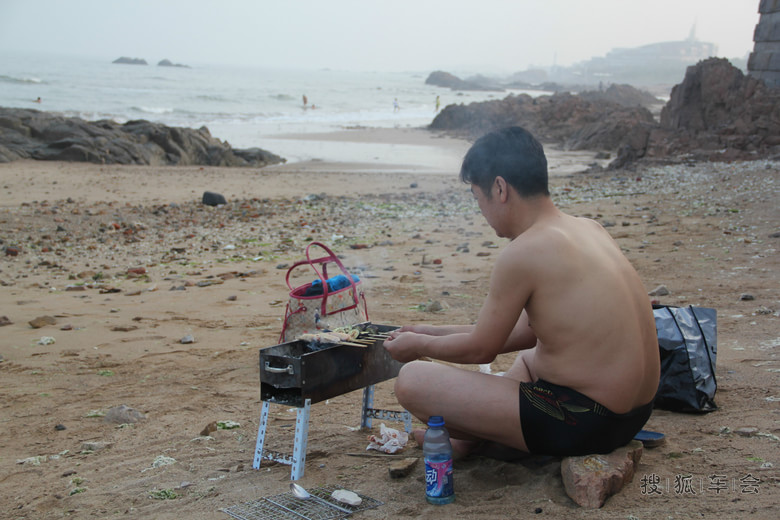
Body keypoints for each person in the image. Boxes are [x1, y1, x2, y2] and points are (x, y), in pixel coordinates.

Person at [384, 126, 659, 458]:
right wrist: (427, 330)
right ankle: (470, 439)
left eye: (477, 196)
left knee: (413, 380)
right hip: (634, 413)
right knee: (531, 359)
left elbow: (482, 349)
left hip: (587, 423)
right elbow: (525, 333)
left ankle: (472, 437)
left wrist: (420, 347)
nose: (481, 211)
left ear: (499, 188)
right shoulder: (588, 228)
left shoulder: (524, 252)